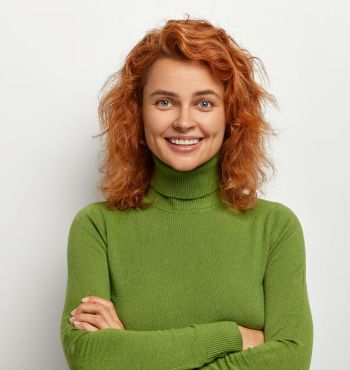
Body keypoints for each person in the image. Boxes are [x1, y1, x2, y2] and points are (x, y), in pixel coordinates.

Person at [60, 16, 313, 370]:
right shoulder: (97, 227)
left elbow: (291, 358)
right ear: (138, 113)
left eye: (205, 103)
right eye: (164, 102)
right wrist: (234, 337)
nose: (183, 121)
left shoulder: (275, 228)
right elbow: (89, 358)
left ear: (231, 116)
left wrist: (130, 350)